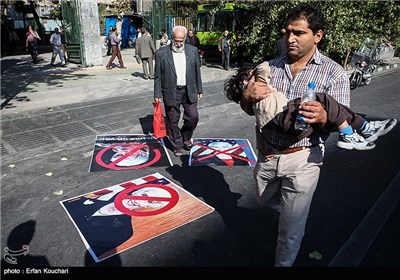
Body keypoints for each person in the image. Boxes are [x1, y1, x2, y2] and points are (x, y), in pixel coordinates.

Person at [240, 3, 397, 267]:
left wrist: (323, 117)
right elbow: (249, 109)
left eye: (298, 33)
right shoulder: (269, 67)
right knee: (264, 202)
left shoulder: (334, 73)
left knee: (289, 233)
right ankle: (293, 214)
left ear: (318, 36)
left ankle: (287, 250)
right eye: (287, 31)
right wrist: (247, 95)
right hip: (267, 156)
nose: (290, 38)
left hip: (303, 159)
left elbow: (339, 117)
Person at [225, 61, 383, 150]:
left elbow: (259, 126)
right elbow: (263, 68)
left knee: (327, 104)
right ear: (246, 81)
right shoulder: (257, 85)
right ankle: (354, 130)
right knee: (323, 98)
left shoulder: (335, 72)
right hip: (286, 117)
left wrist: (263, 148)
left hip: (297, 133)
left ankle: (361, 128)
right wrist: (251, 81)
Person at [154, 25, 203, 157]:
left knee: (193, 117)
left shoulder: (193, 51)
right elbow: (158, 76)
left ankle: (185, 137)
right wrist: (157, 94)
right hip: (171, 91)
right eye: (176, 40)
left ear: (185, 38)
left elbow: (197, 71)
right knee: (172, 119)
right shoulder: (161, 53)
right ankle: (177, 144)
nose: (179, 43)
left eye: (181, 40)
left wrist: (200, 88)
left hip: (189, 90)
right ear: (172, 38)